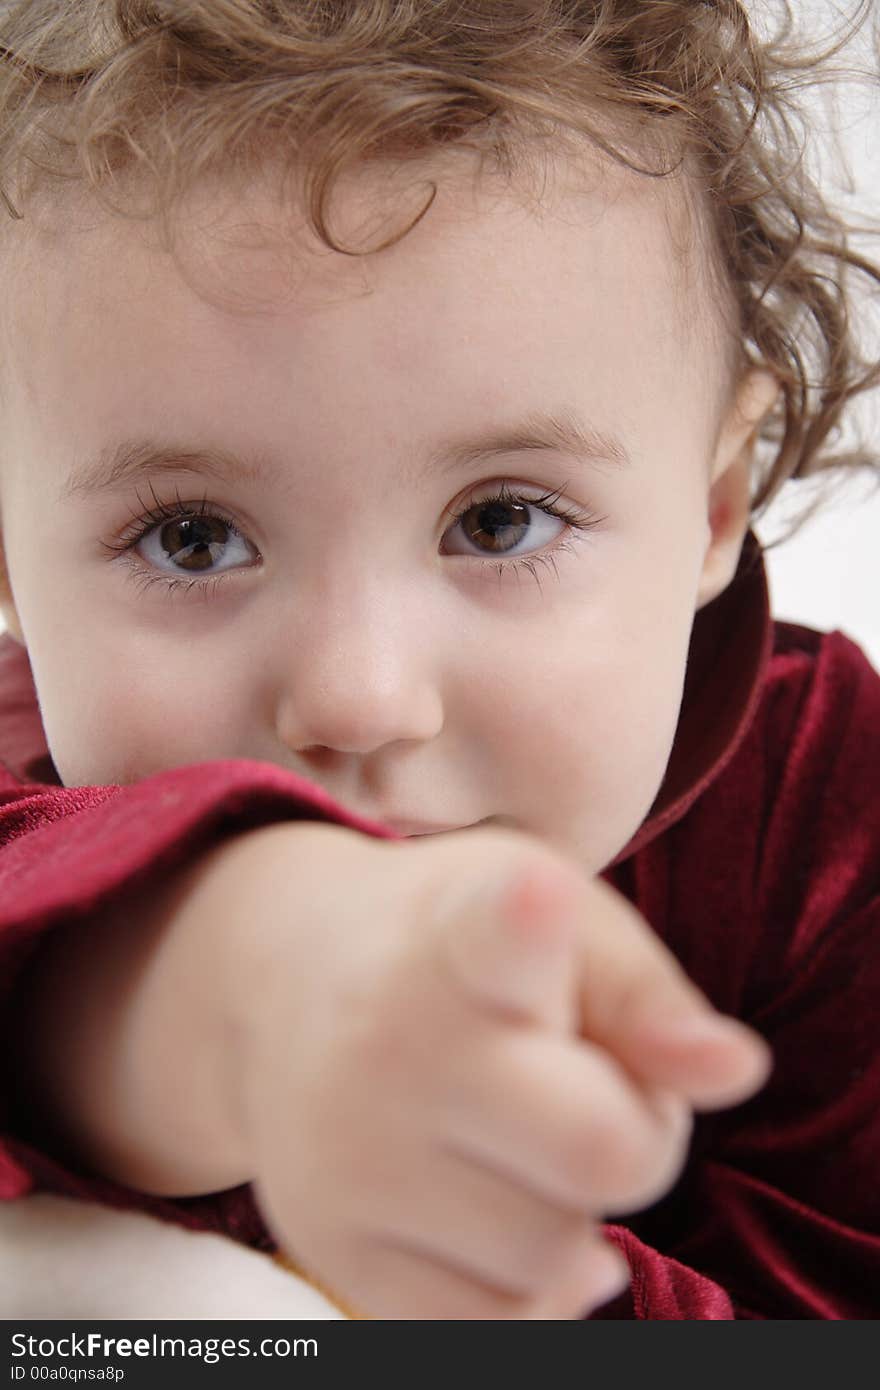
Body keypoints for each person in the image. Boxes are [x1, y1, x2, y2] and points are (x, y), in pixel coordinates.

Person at [0, 0, 878, 1321]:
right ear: (7, 563)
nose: (359, 692)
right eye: (191, 537)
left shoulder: (822, 808)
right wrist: (268, 990)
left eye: (498, 519)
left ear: (710, 507)